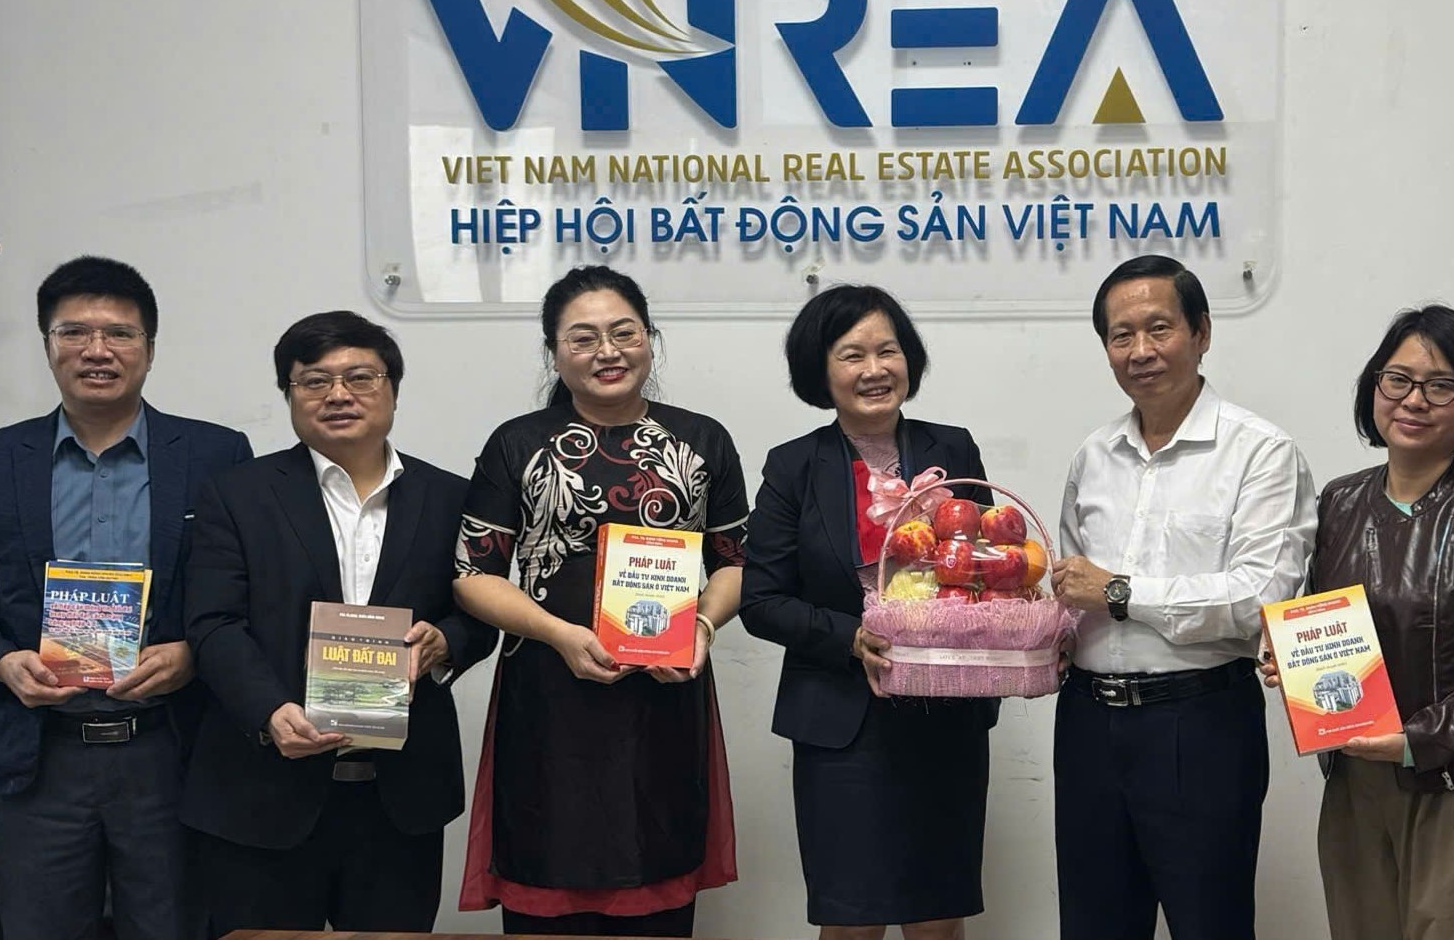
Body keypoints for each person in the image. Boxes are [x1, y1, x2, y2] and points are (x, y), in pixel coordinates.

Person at [0, 256, 253, 940]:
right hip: (39, 755)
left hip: (170, 749)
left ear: (149, 349)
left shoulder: (216, 454)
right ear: (48, 345)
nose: (97, 350)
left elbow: (246, 590)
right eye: (74, 332)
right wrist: (0, 664)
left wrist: (195, 653)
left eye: (120, 334)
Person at [453, 266, 748, 937]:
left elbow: (737, 563)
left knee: (658, 878)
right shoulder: (517, 443)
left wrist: (702, 626)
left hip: (664, 693)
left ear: (650, 338)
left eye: (624, 333)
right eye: (583, 338)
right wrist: (559, 634)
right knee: (545, 878)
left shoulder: (701, 441)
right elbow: (472, 574)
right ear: (554, 353)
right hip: (548, 697)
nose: (607, 352)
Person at [180, 310, 494, 933]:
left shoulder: (452, 497)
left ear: (393, 390)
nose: (339, 395)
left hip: (400, 798)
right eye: (315, 381)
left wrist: (446, 642)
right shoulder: (235, 494)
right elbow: (212, 622)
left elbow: (478, 613)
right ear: (289, 395)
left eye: (360, 377)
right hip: (262, 792)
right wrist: (269, 712)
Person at [1267, 305, 1454, 940]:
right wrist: (1289, 659)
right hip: (1355, 786)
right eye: (1397, 379)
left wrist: (1416, 738)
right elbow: (1324, 623)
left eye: (1441, 385)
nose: (1414, 400)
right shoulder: (1339, 502)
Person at [1048, 255, 1315, 940]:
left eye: (1158, 328)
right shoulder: (1092, 456)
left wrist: (1119, 592)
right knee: (1094, 926)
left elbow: (1258, 595)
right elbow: (1072, 591)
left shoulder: (1260, 452)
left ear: (1201, 333)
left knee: (1209, 923)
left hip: (1200, 725)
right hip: (1087, 725)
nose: (1140, 350)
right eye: (1121, 335)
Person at [739, 285, 997, 940]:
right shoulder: (794, 466)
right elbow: (761, 601)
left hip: (945, 715)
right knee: (851, 918)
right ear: (820, 371)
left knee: (937, 916)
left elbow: (985, 567)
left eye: (888, 350)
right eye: (852, 354)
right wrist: (852, 637)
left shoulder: (953, 449)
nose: (874, 369)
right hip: (841, 723)